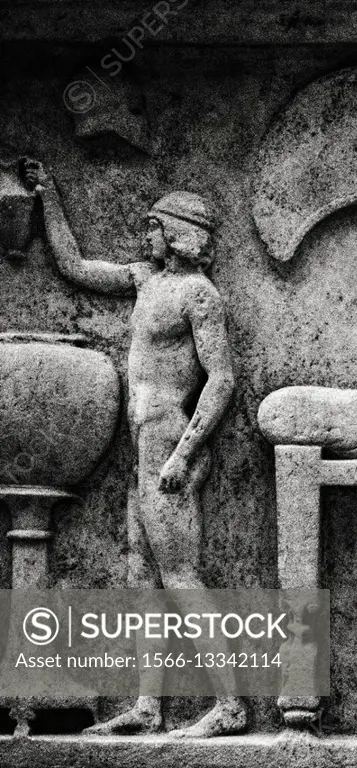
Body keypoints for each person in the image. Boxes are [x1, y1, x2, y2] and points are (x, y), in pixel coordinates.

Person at [25, 161, 246, 738]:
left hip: (170, 444)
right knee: (143, 577)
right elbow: (75, 268)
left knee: (179, 576)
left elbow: (221, 379)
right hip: (142, 447)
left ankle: (229, 706)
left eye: (152, 225)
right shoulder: (147, 281)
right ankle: (148, 708)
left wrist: (182, 456)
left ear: (177, 233)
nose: (144, 235)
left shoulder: (200, 295)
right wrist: (48, 196)